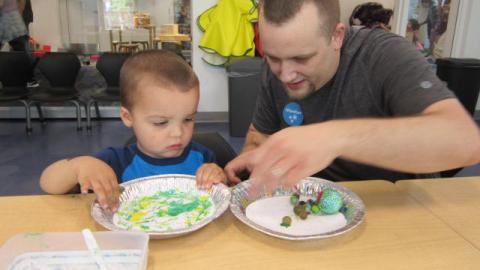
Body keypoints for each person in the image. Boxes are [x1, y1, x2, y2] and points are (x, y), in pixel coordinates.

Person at [225, 0, 480, 191]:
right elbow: (258, 138)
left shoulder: (384, 54)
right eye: (272, 57)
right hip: (311, 210)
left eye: (302, 58)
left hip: (395, 207)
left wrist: (334, 137)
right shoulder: (278, 69)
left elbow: (465, 142)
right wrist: (253, 157)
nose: (285, 75)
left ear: (337, 36)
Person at [40, 50, 227, 211]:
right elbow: (48, 183)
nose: (178, 132)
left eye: (188, 119)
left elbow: (221, 197)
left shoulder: (202, 157)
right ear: (128, 117)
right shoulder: (116, 163)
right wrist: (79, 166)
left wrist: (219, 177)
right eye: (161, 122)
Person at [0, 0, 38, 87]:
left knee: (23, 50)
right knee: (23, 49)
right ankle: (29, 79)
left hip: (11, 15)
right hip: (9, 15)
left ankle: (29, 79)